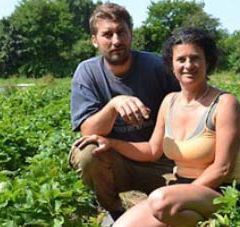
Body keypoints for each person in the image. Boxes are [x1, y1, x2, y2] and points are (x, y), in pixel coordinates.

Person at [76, 27, 240, 227]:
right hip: (177, 191)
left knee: (160, 202)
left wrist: (179, 194)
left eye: (195, 58)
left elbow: (222, 169)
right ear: (171, 65)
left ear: (208, 62)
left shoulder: (224, 104)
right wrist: (110, 142)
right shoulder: (169, 102)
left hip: (218, 193)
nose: (188, 65)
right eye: (181, 59)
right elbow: (152, 150)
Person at [69, 2, 180, 223]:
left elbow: (188, 108)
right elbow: (87, 131)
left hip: (161, 161)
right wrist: (113, 105)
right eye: (107, 34)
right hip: (116, 161)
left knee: (184, 201)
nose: (116, 41)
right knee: (87, 151)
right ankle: (114, 210)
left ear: (131, 34)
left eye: (121, 32)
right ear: (94, 40)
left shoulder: (157, 67)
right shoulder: (87, 72)